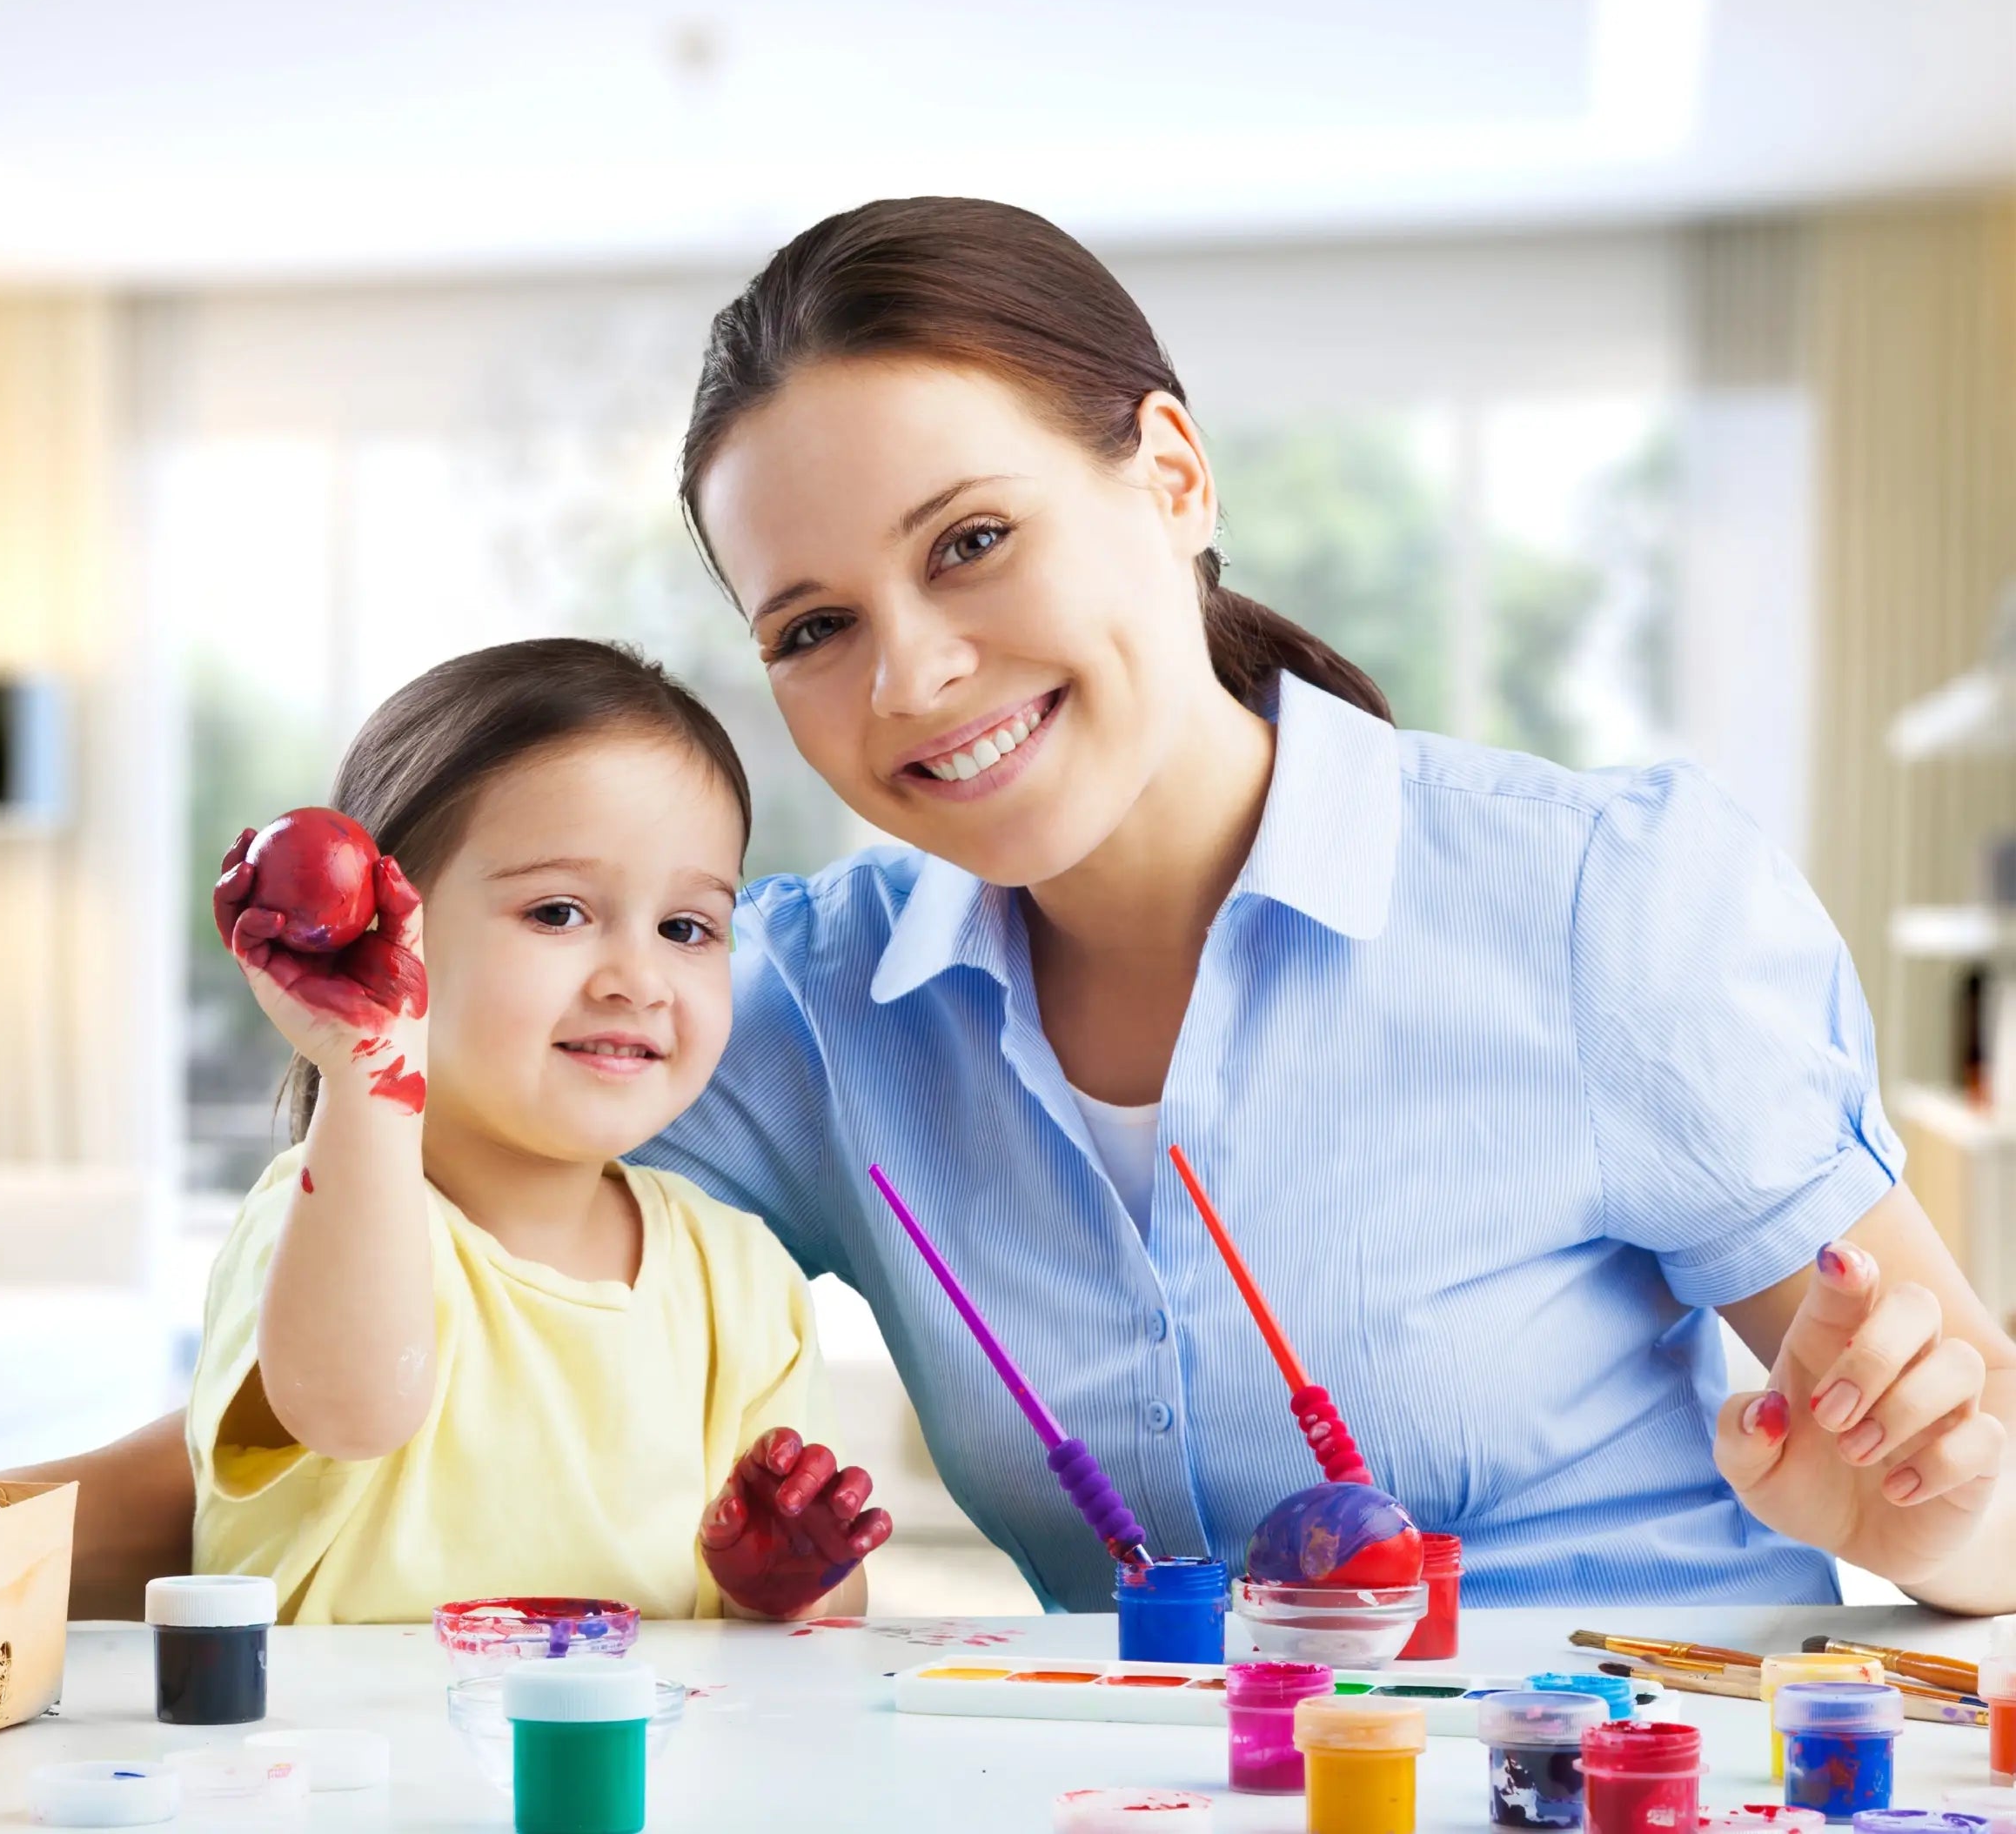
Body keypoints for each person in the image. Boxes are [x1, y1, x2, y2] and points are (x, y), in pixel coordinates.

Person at [633, 195, 2012, 1612]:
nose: (909, 676)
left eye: (971, 540)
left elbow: (1996, 1484)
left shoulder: (1600, 901)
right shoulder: (801, 1008)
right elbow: (454, 1154)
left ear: (1173, 478)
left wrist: (1926, 1521)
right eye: (813, 627)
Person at [0, 639, 891, 1623]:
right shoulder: (324, 1218)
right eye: (559, 912)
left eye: (687, 928)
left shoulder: (740, 1275)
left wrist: (788, 1582)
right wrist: (368, 1073)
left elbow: (826, 1618)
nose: (638, 976)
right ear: (384, 934)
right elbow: (353, 1408)